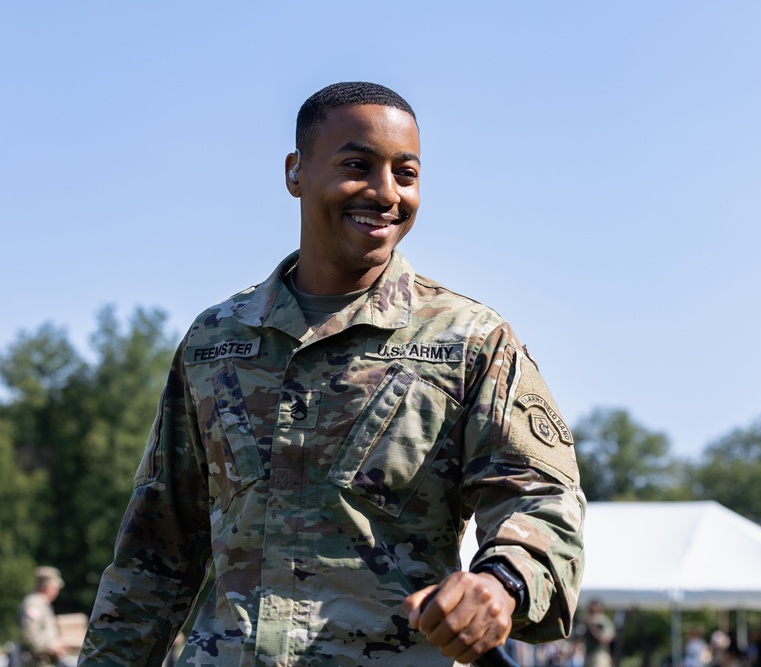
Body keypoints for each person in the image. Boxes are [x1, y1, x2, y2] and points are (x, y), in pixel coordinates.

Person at [78, 81, 586, 666]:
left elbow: (543, 500)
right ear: (296, 171)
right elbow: (153, 556)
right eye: (357, 165)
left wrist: (501, 583)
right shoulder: (215, 344)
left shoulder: (469, 341)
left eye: (406, 173)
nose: (385, 192)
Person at [18, 566, 67, 667]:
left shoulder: (43, 604)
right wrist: (51, 646)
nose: (57, 591)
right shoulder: (33, 604)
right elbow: (29, 637)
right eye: (55, 587)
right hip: (34, 662)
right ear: (47, 586)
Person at [577, 600, 615, 667]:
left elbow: (606, 639)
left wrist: (592, 627)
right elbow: (579, 638)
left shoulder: (603, 621)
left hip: (600, 655)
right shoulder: (586, 620)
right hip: (588, 655)